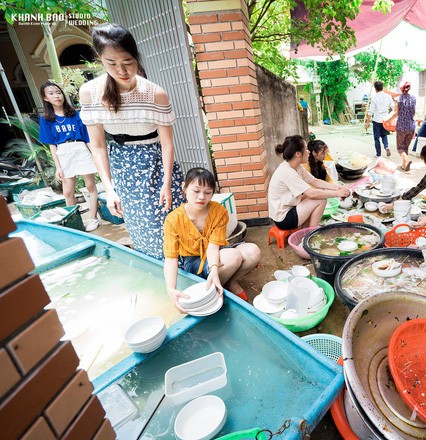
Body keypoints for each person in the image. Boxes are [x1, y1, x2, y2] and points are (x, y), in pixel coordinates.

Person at [79, 23, 184, 260]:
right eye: (111, 63)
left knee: (170, 225)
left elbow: (167, 143)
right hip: (122, 167)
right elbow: (97, 146)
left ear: (136, 56)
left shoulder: (155, 93)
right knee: (140, 228)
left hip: (156, 164)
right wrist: (109, 188)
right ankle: (162, 277)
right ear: (100, 59)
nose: (121, 70)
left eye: (127, 62)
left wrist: (167, 183)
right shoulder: (90, 93)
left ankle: (187, 275)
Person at [163, 168, 260, 309]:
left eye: (207, 192)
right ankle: (210, 290)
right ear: (184, 188)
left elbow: (213, 246)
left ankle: (228, 282)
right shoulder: (173, 219)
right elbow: (171, 258)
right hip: (193, 261)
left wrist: (214, 268)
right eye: (196, 191)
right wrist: (171, 288)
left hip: (215, 252)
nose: (202, 197)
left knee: (253, 251)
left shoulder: (218, 211)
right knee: (233, 256)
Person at [38, 82, 100, 231]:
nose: (56, 96)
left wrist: (97, 157)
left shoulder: (76, 115)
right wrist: (58, 167)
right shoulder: (46, 119)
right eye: (51, 93)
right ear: (45, 98)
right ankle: (73, 222)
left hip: (79, 148)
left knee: (91, 186)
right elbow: (52, 145)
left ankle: (93, 218)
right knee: (68, 191)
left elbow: (87, 138)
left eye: (58, 92)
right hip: (63, 152)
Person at [268, 135, 350, 230]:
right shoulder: (287, 171)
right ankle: (311, 233)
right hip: (283, 218)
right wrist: (337, 193)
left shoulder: (297, 167)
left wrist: (337, 188)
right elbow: (312, 193)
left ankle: (305, 230)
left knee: (319, 194)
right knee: (320, 199)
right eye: (306, 149)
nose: (309, 152)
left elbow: (315, 181)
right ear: (298, 154)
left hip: (291, 207)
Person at [366, 80, 394, 157]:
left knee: (376, 137)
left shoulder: (374, 97)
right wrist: (390, 116)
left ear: (375, 89)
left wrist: (367, 122)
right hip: (385, 120)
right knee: (384, 135)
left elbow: (370, 111)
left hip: (377, 120)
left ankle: (378, 154)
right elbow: (393, 107)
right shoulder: (388, 96)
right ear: (382, 88)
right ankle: (386, 146)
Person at [395, 82, 416, 171]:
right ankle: (404, 165)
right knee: (406, 147)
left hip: (401, 127)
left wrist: (387, 120)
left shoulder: (398, 99)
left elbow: (396, 113)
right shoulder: (413, 98)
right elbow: (413, 112)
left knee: (400, 148)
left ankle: (406, 160)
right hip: (411, 126)